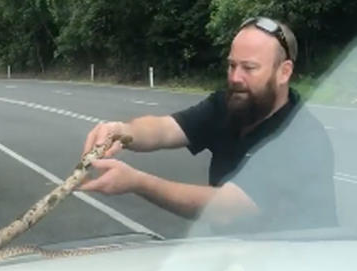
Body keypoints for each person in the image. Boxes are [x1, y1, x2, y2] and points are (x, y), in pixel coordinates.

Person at [81, 17, 336, 233]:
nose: (235, 78)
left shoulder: (302, 136)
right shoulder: (229, 105)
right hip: (232, 257)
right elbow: (165, 129)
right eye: (231, 65)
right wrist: (123, 132)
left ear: (284, 72)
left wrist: (137, 182)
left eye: (249, 68)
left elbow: (229, 208)